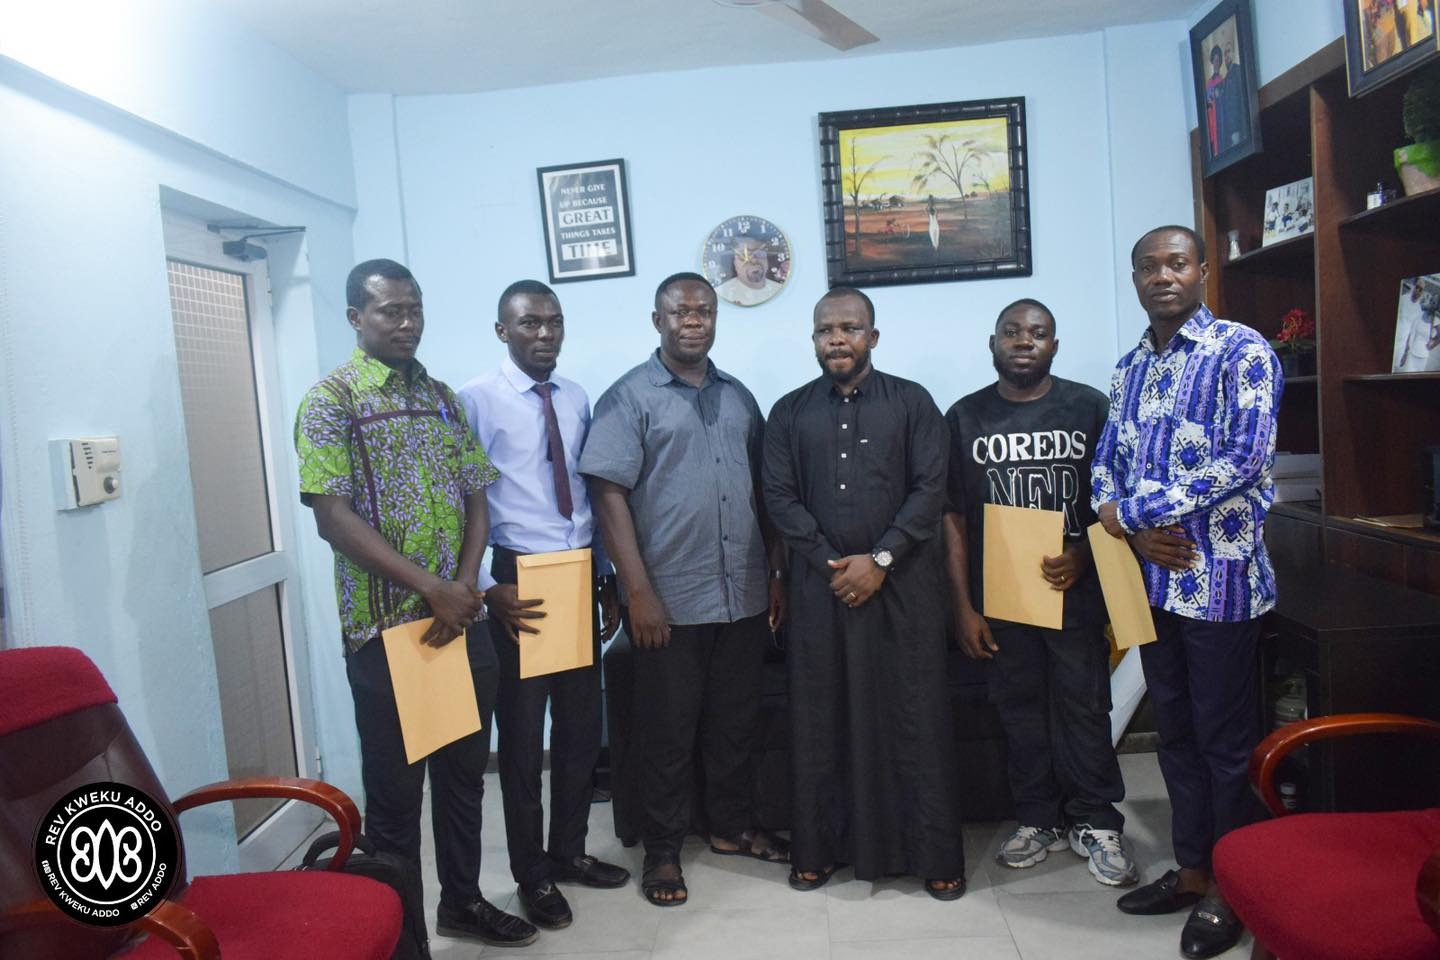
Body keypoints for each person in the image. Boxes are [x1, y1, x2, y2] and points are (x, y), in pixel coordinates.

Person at [294, 259, 537, 949]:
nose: (407, 323)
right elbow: (333, 517)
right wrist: (432, 588)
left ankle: (463, 902)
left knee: (464, 781)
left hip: (461, 623)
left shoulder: (440, 397)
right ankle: (400, 941)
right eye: (390, 311)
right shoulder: (331, 401)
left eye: (415, 309)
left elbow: (476, 496)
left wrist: (463, 587)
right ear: (356, 318)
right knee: (397, 801)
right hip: (387, 633)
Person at [1093, 226, 1283, 960]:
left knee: (1225, 745)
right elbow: (1106, 466)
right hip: (1151, 584)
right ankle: (1195, 870)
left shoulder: (1242, 351)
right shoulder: (1129, 368)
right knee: (1174, 736)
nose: (1162, 276)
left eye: (1177, 263)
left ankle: (1236, 888)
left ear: (1202, 269)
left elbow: (1246, 457)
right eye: (1149, 266)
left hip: (1222, 584)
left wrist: (1135, 514)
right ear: (1134, 278)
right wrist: (1128, 527)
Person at [578, 272, 788, 908]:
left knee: (734, 725)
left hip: (742, 595)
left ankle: (730, 827)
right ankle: (664, 850)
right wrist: (636, 591)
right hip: (667, 601)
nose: (693, 321)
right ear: (658, 320)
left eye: (704, 311)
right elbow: (607, 493)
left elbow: (765, 494)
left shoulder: (739, 397)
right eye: (680, 312)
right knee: (667, 734)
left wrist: (775, 573)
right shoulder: (629, 398)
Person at [762, 286, 965, 900]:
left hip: (904, 591)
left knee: (914, 717)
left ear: (872, 336)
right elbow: (779, 498)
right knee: (820, 720)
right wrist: (833, 564)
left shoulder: (913, 402)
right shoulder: (788, 412)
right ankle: (819, 850)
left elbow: (930, 490)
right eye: (826, 330)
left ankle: (933, 854)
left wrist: (879, 561)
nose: (837, 339)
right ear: (814, 339)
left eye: (850, 328)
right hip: (819, 593)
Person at [941, 298, 1137, 888]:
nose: (1024, 341)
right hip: (1003, 599)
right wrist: (962, 607)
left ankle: (1096, 820)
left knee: (1085, 708)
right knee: (1020, 711)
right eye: (1012, 331)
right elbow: (953, 519)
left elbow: (1118, 499)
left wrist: (1084, 554)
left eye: (1038, 333)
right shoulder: (964, 418)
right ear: (993, 344)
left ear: (1055, 346)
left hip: (1077, 595)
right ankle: (1038, 818)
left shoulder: (1090, 408)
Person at [455, 279, 630, 932]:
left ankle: (568, 851)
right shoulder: (475, 399)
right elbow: (461, 501)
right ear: (503, 330)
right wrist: (483, 588)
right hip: (517, 580)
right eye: (530, 323)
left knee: (581, 729)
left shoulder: (576, 396)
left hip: (576, 572)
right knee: (525, 742)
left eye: (554, 321)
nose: (545, 333)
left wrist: (604, 575)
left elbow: (586, 494)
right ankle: (531, 874)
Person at [715, 236, 783, 307]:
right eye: (743, 255)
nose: (754, 260)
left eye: (759, 253)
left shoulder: (779, 289)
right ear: (734, 263)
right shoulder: (722, 292)